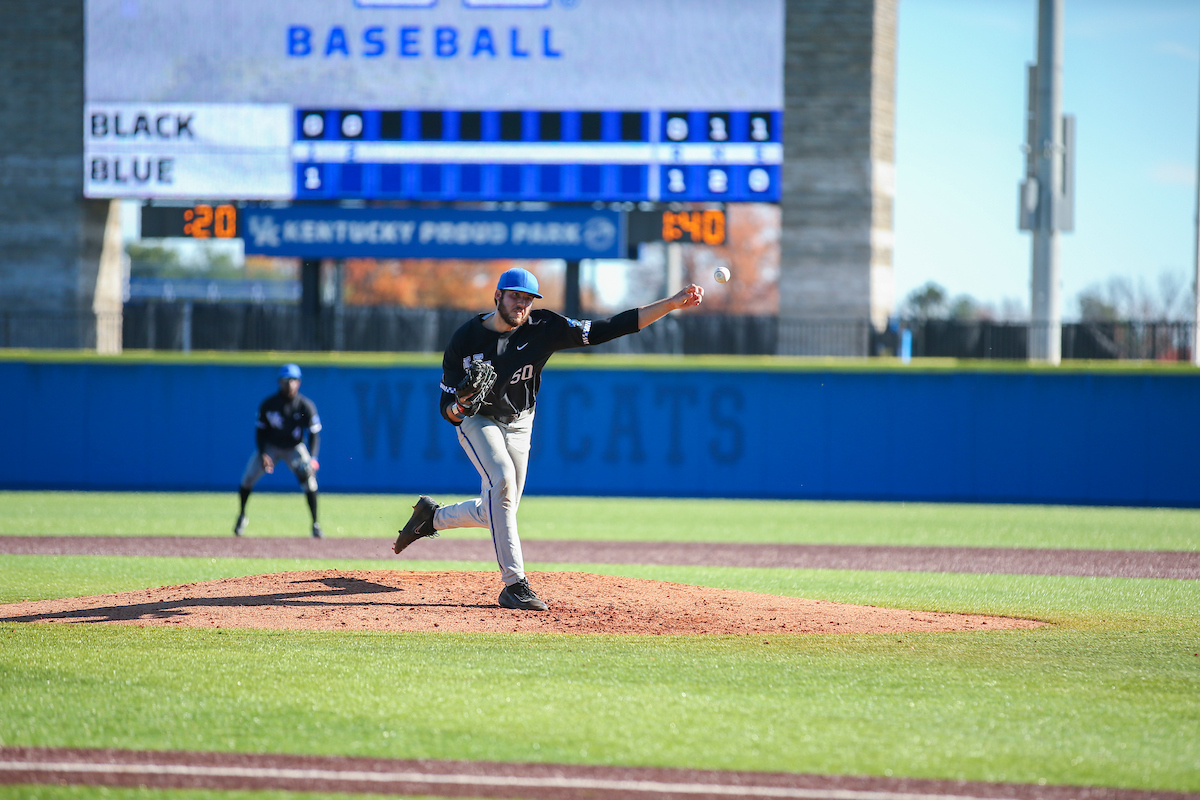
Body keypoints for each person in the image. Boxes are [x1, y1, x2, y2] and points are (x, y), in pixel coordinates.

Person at [392, 267, 704, 611]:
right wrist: (462, 404)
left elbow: (608, 328)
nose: (521, 304)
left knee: (496, 508)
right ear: (497, 296)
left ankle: (431, 517)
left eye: (528, 299)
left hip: (521, 421)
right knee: (503, 484)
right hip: (478, 421)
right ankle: (514, 585)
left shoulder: (544, 329)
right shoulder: (464, 340)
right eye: (515, 296)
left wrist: (671, 304)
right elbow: (446, 409)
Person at [234, 363, 324, 538]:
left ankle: (315, 523)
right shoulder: (269, 404)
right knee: (247, 479)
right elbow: (260, 431)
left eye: (293, 380)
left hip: (295, 447)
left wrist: (313, 459)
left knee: (310, 482)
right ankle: (242, 515)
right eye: (285, 380)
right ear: (279, 382)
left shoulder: (305, 406)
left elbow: (314, 434)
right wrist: (262, 453)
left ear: (299, 382)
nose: (289, 384)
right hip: (270, 446)